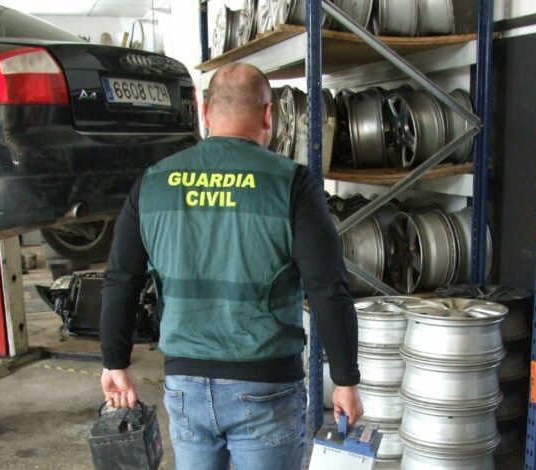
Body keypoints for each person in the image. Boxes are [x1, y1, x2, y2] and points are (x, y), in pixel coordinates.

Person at [99, 62, 362, 470]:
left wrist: (115, 361)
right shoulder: (292, 184)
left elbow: (120, 278)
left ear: (204, 112)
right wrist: (344, 379)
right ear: (268, 114)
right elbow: (327, 287)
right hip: (266, 384)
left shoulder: (153, 182)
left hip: (185, 385)